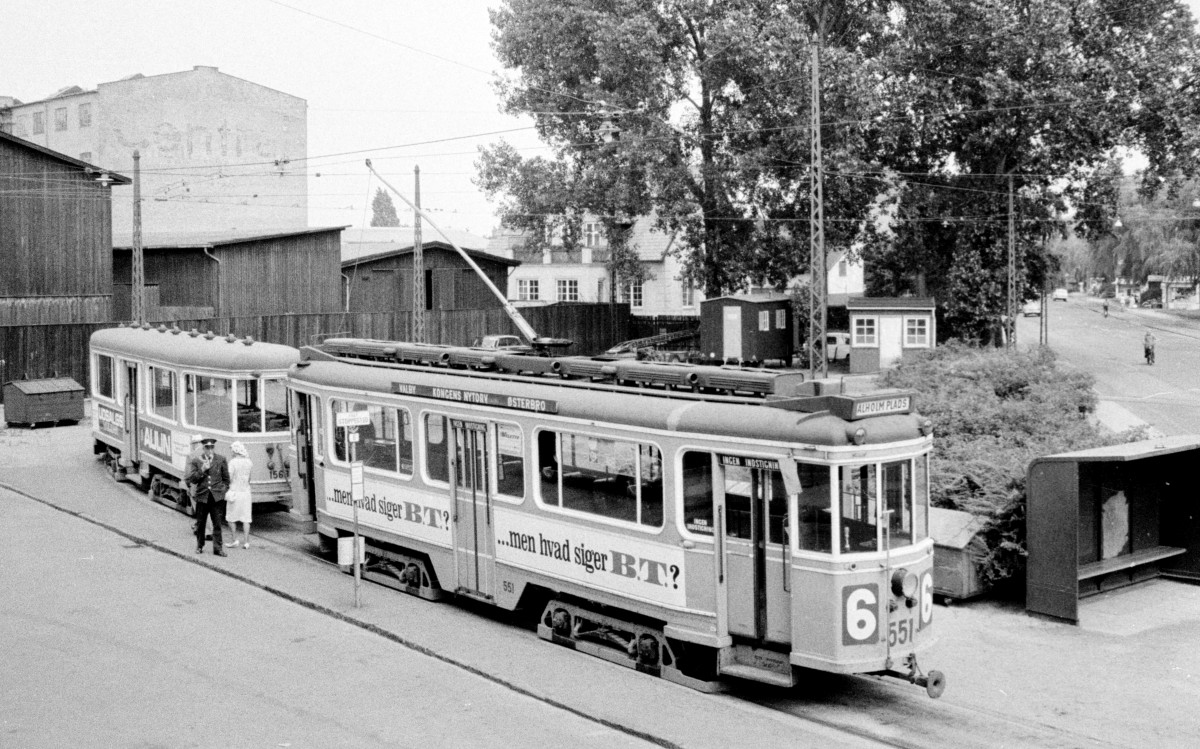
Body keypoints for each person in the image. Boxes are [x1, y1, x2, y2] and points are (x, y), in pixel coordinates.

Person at [186, 437, 230, 556]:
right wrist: (202, 470)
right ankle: (200, 545)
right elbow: (192, 479)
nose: (209, 450)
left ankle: (218, 548)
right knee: (201, 523)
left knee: (217, 523)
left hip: (216, 497)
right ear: (203, 448)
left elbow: (226, 479)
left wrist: (223, 491)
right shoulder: (197, 461)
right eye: (207, 448)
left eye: (211, 447)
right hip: (202, 496)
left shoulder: (221, 459)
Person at [225, 441, 253, 549]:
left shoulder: (233, 462)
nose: (231, 452)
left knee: (231, 518)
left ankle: (234, 540)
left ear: (235, 450)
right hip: (246, 493)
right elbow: (249, 478)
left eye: (232, 450)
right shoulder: (249, 462)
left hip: (235, 492)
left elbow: (229, 478)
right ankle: (246, 542)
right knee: (246, 518)